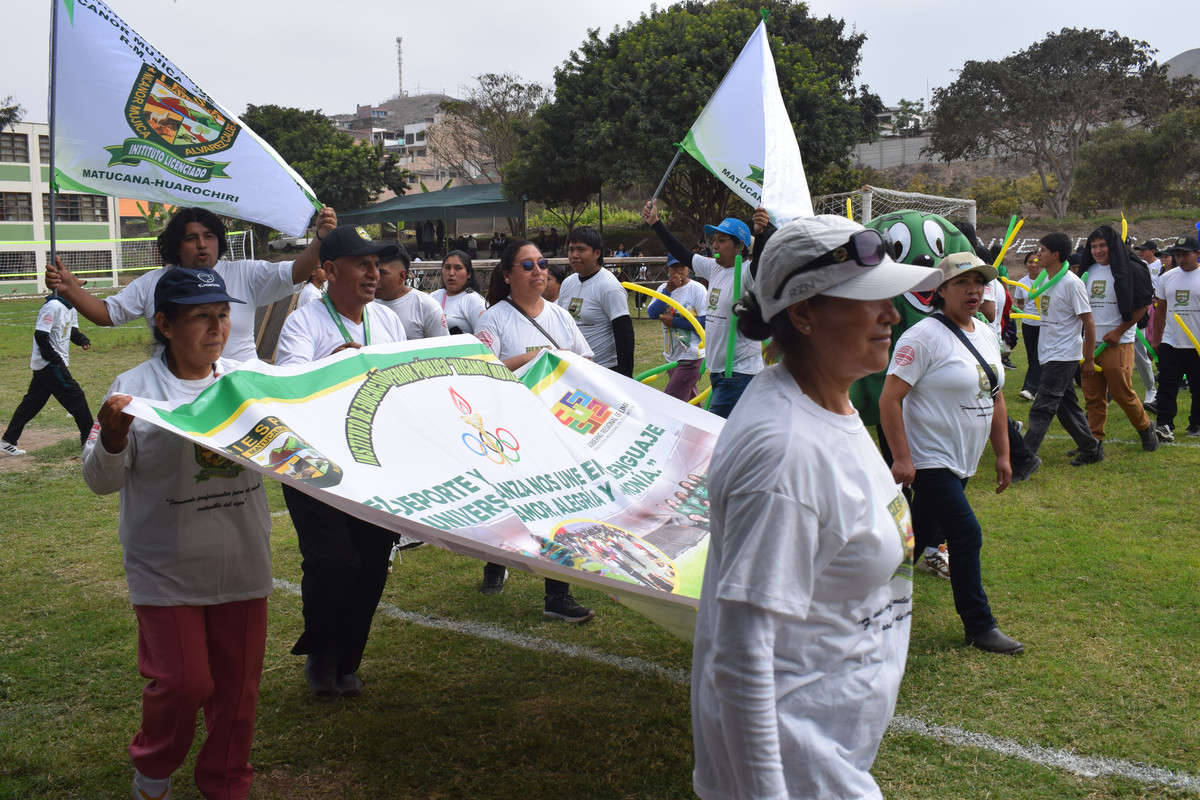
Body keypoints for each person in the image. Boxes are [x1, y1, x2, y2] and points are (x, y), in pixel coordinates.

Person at [692, 214, 939, 800]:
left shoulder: (822, 401)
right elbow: (740, 660)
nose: (892, 314)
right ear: (802, 314)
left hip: (829, 748)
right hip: (796, 764)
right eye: (869, 298)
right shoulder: (786, 452)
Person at [82, 267, 272, 800]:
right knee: (185, 682)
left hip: (241, 559)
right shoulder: (132, 390)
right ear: (164, 324)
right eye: (200, 317)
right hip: (165, 564)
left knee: (237, 689)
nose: (217, 328)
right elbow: (99, 481)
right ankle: (154, 767)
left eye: (222, 315)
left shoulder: (246, 383)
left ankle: (226, 783)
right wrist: (113, 440)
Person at [275, 225, 408, 698]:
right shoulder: (304, 322)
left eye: (377, 265)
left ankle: (347, 660)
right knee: (332, 559)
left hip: (372, 460)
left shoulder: (387, 321)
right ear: (330, 270)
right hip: (315, 463)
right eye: (362, 265)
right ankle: (322, 653)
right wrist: (334, 361)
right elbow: (289, 386)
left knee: (371, 560)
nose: (374, 274)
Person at [879, 252, 1025, 655]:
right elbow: (889, 399)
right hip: (929, 459)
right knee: (965, 534)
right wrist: (902, 458)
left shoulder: (986, 333)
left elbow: (996, 397)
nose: (973, 290)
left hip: (963, 460)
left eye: (979, 282)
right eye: (962, 282)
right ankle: (979, 625)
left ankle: (860, 596)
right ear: (940, 290)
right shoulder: (922, 336)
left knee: (915, 539)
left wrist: (1003, 454)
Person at [473, 240, 595, 623]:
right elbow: (479, 372)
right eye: (527, 266)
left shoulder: (560, 316)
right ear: (507, 275)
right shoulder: (492, 319)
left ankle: (557, 595)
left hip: (556, 428)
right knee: (510, 502)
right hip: (509, 431)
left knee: (560, 504)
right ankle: (495, 560)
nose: (538, 271)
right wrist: (529, 359)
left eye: (542, 263)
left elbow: (586, 363)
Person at [45, 206, 337, 365]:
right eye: (191, 238)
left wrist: (320, 239)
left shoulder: (244, 273)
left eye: (209, 236)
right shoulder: (153, 282)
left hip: (241, 393)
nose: (202, 244)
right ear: (176, 245)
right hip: (178, 394)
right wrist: (70, 288)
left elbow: (296, 272)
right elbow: (107, 314)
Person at [642, 199, 769, 417]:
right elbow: (681, 253)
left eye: (722, 240)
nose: (715, 245)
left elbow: (762, 262)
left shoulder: (748, 273)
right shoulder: (714, 268)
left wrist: (762, 233)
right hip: (719, 371)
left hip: (739, 372)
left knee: (714, 429)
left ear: (739, 246)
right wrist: (655, 222)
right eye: (714, 240)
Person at [1018, 232, 1104, 472]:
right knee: (1066, 407)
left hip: (1064, 355)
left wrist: (1089, 358)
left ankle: (1025, 458)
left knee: (1043, 407)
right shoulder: (1045, 280)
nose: (1037, 255)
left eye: (1042, 250)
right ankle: (1090, 448)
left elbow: (1088, 322)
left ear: (1055, 255)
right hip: (1048, 352)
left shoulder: (1071, 283)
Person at [1078, 225, 1158, 452]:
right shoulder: (1088, 270)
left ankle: (1146, 428)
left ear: (1112, 246)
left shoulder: (1131, 268)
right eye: (1094, 246)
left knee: (1122, 394)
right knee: (1093, 396)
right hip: (1090, 343)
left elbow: (1143, 304)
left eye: (1103, 245)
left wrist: (1119, 331)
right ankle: (1094, 442)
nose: (1098, 251)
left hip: (1117, 342)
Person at [1, 292, 93, 456]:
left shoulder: (71, 308)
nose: (77, 290)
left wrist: (82, 340)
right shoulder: (52, 306)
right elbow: (41, 335)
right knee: (76, 396)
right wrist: (55, 359)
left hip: (52, 363)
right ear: (63, 289)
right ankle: (90, 439)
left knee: (32, 403)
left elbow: (71, 331)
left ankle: (8, 440)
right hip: (49, 363)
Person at [556, 226, 634, 377]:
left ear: (597, 253)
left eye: (581, 249)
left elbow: (624, 333)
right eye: (571, 249)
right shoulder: (567, 283)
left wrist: (626, 377)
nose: (574, 255)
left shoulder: (608, 286)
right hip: (571, 369)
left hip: (603, 370)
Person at [1150, 236, 1200, 441]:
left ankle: (1196, 424)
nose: (1181, 259)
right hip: (1171, 342)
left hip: (1197, 344)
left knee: (1198, 388)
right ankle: (1164, 424)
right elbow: (1161, 310)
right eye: (1178, 255)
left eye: (1185, 254)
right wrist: (1157, 339)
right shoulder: (1167, 278)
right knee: (1167, 385)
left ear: (1197, 254)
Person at [647, 256, 707, 401]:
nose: (678, 270)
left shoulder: (697, 289)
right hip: (672, 355)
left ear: (688, 268)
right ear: (668, 269)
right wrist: (668, 290)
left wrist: (675, 322)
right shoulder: (663, 288)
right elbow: (652, 313)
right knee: (689, 401)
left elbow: (705, 322)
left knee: (672, 399)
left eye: (682, 266)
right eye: (674, 266)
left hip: (691, 356)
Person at [374, 246, 450, 340]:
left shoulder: (427, 307)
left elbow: (442, 346)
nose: (374, 277)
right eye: (372, 270)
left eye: (382, 273)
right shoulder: (364, 305)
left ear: (402, 276)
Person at [431, 250, 486, 335]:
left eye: (458, 268)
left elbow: (485, 337)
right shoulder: (433, 297)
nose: (451, 273)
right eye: (447, 268)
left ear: (469, 274)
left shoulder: (475, 302)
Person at [1012, 251, 1042, 400]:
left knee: (1038, 357)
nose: (1033, 265)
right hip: (1028, 324)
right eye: (1030, 262)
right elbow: (1020, 302)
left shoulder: (1047, 280)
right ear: (1025, 265)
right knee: (1032, 357)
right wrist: (1022, 310)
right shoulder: (1021, 282)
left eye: (1036, 261)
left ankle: (1029, 389)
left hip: (1043, 324)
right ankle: (1039, 386)